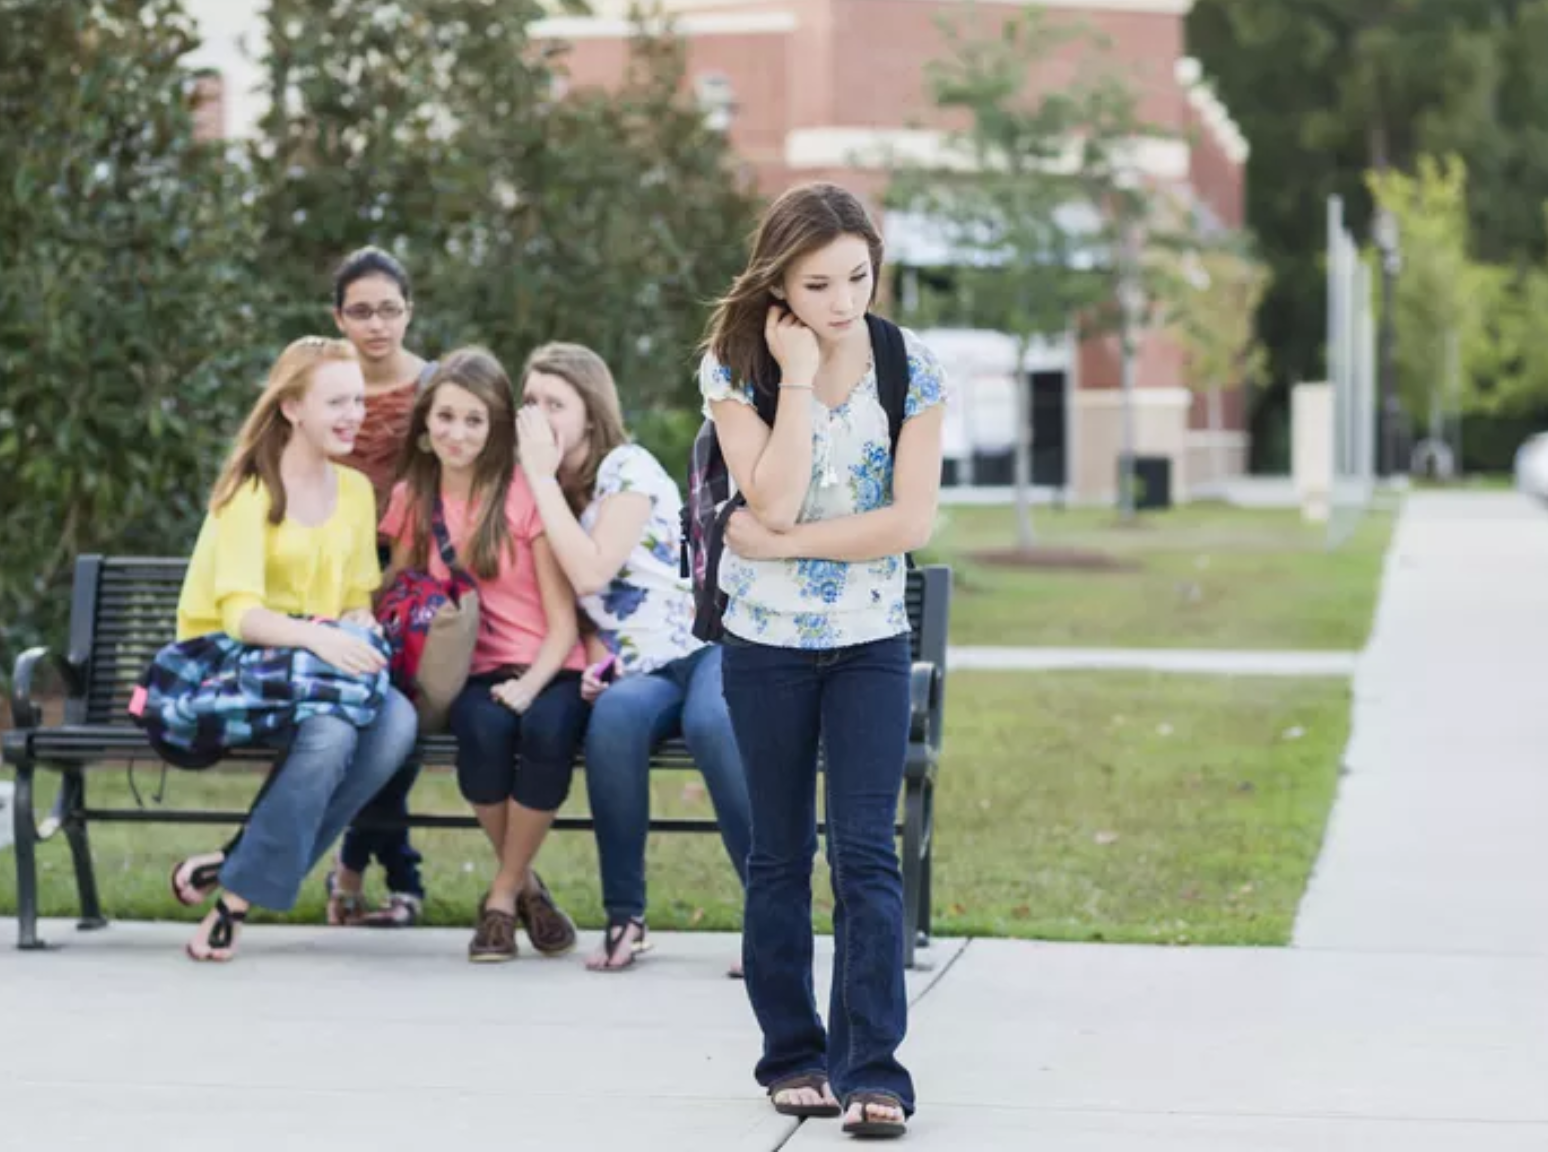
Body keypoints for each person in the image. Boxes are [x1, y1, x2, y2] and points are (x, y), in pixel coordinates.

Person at [698, 183, 947, 1138]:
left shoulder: (908, 365)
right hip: (764, 649)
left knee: (863, 853)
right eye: (820, 284)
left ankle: (875, 1068)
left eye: (859, 275)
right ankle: (793, 1056)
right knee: (777, 854)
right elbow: (771, 496)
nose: (846, 301)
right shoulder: (735, 367)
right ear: (779, 286)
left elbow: (909, 522)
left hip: (870, 644)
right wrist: (796, 376)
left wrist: (784, 543)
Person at [171, 336, 418, 962]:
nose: (353, 416)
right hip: (232, 669)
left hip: (316, 668)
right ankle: (234, 903)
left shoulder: (357, 492)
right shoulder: (248, 491)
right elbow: (241, 616)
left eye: (358, 401)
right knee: (332, 735)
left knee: (398, 722)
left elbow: (358, 597)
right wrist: (327, 637)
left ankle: (234, 864)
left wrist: (358, 629)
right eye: (336, 402)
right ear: (292, 409)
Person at [515, 342, 752, 974]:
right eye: (531, 401)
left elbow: (593, 571)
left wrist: (538, 480)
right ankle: (627, 918)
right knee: (613, 722)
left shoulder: (629, 467)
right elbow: (588, 608)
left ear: (590, 413)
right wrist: (598, 658)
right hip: (644, 670)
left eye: (555, 403)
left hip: (708, 647)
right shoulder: (550, 494)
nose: (539, 416)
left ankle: (770, 918)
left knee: (712, 724)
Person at [379, 347, 588, 963]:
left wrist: (531, 685)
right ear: (425, 425)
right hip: (470, 669)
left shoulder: (523, 495)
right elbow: (400, 588)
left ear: (496, 427)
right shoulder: (414, 499)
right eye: (445, 418)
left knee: (548, 733)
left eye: (474, 420)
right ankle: (528, 888)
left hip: (549, 663)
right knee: (482, 730)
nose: (457, 433)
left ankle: (500, 898)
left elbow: (562, 623)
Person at [326, 246, 435, 927]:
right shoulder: (322, 384)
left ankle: (361, 867)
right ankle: (392, 874)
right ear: (338, 318)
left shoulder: (434, 386)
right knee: (364, 715)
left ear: (409, 312)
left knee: (396, 713)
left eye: (389, 310)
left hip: (414, 577)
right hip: (333, 579)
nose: (376, 324)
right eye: (361, 311)